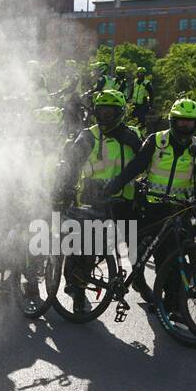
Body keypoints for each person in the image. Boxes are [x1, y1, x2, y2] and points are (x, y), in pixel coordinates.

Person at [104, 98, 196, 308]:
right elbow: (135, 167)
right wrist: (114, 185)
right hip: (151, 207)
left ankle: (172, 305)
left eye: (190, 122)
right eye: (181, 121)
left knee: (172, 259)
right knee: (138, 249)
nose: (185, 126)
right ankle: (139, 280)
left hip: (180, 210)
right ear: (172, 121)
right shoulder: (156, 141)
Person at [55, 88, 143, 315]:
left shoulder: (132, 135)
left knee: (135, 247)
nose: (105, 116)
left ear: (120, 112)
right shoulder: (89, 135)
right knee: (85, 250)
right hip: (93, 201)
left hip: (125, 200)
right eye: (101, 111)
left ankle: (141, 285)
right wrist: (65, 189)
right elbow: (71, 165)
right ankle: (77, 292)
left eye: (110, 112)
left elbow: (144, 163)